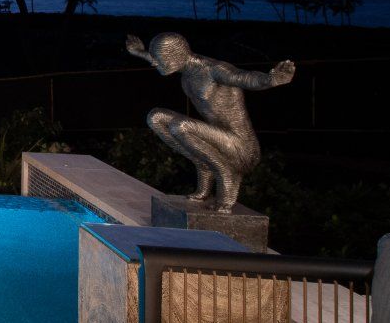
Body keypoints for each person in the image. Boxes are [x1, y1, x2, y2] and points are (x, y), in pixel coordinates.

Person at [124, 32, 294, 213]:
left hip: (241, 147)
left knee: (181, 126)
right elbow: (156, 58)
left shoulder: (213, 69)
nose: (154, 62)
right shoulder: (186, 69)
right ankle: (203, 163)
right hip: (217, 140)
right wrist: (139, 52)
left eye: (159, 58)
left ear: (175, 56)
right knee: (155, 117)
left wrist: (272, 79)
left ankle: (225, 174)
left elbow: (243, 77)